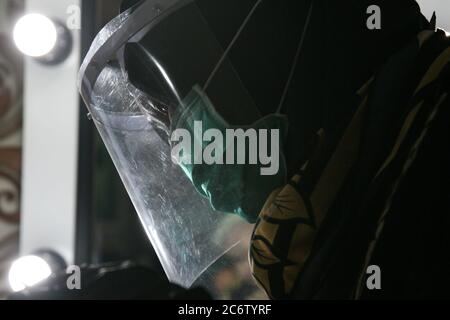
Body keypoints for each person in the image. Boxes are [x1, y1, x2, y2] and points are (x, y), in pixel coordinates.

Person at [80, 0, 450, 299]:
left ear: (268, 54)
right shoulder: (334, 220)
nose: (183, 153)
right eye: (171, 129)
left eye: (181, 111)